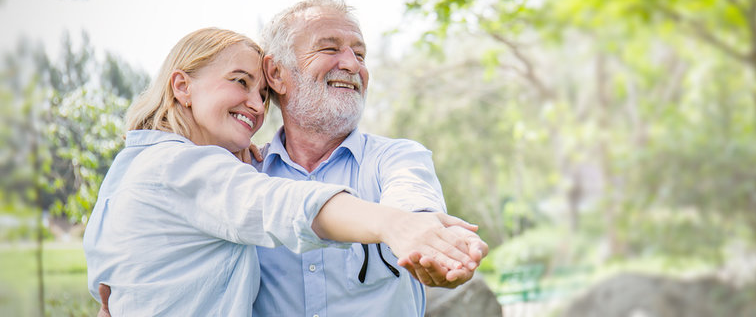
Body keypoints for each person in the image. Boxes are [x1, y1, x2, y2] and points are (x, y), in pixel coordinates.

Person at [83, 27, 481, 316]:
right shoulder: (181, 167)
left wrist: (423, 227)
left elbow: (107, 283)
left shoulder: (132, 167)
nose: (256, 105)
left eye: (261, 95)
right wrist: (395, 225)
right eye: (239, 82)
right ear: (182, 87)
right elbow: (278, 204)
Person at [252, 0, 489, 316]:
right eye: (329, 48)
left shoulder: (400, 157)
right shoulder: (246, 175)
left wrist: (430, 242)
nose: (352, 65)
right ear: (277, 74)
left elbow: (413, 203)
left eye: (360, 54)